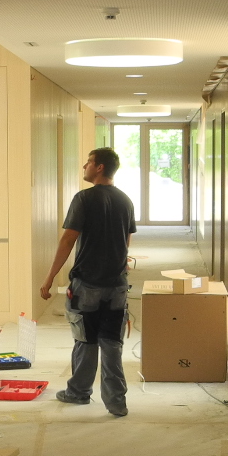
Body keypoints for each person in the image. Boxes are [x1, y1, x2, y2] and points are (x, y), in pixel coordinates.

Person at [39, 147, 136, 416]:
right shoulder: (126, 200)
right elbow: (126, 241)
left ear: (99, 167)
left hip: (88, 283)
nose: (85, 166)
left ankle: (79, 392)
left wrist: (50, 277)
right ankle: (117, 402)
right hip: (117, 284)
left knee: (85, 339)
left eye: (89, 162)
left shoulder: (84, 198)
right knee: (112, 342)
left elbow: (68, 240)